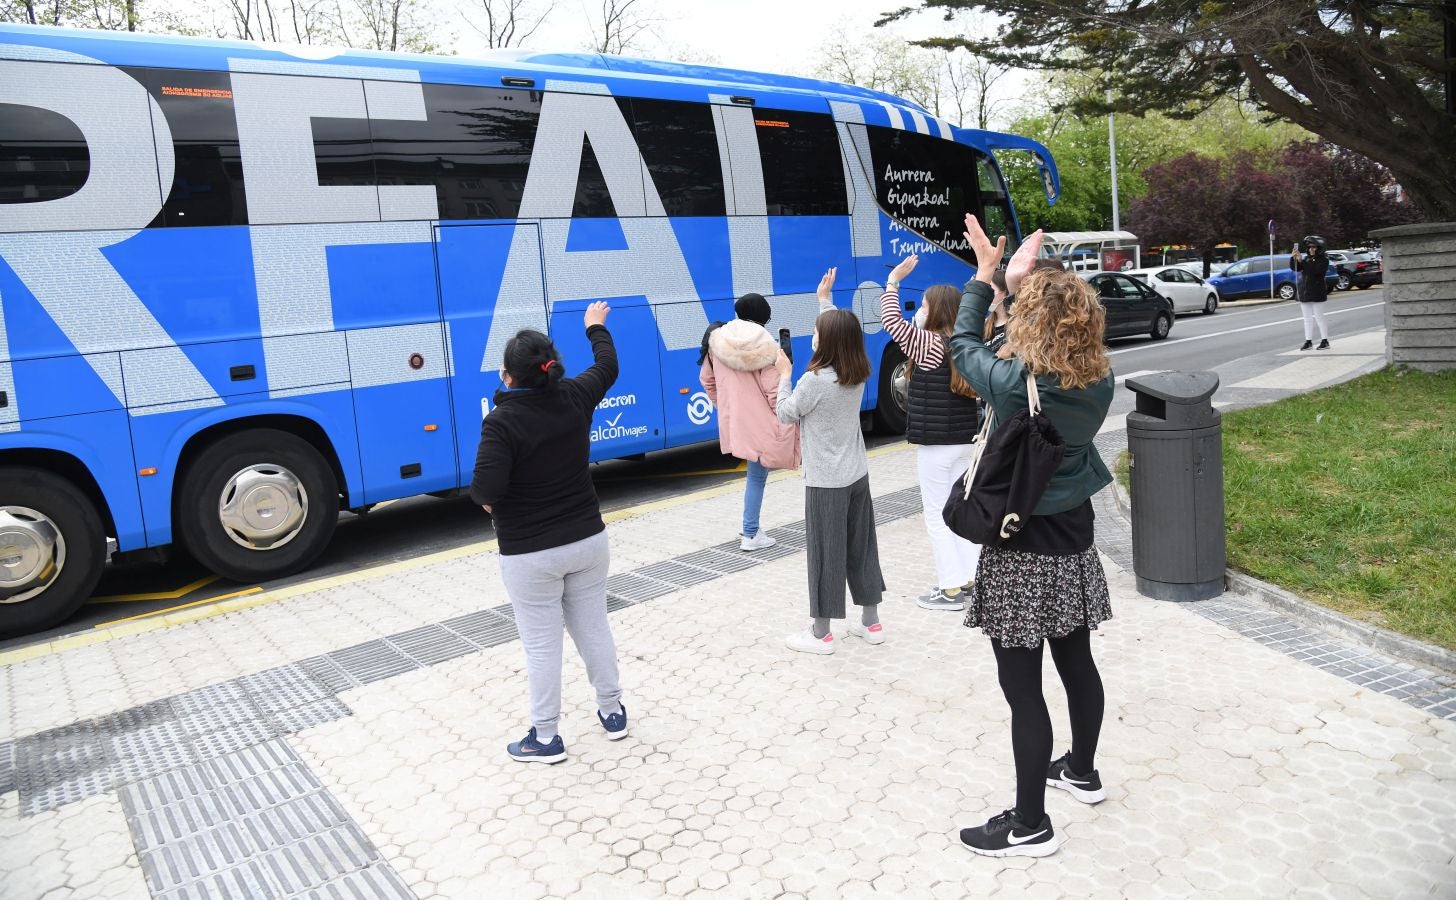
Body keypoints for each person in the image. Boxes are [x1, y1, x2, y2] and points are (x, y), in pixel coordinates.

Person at [948, 216, 1115, 858]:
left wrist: (987, 277)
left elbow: (963, 343)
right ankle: (1083, 772)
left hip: (1019, 544)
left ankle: (1029, 825)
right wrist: (1022, 287)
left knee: (1023, 693)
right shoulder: (1098, 378)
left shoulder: (1014, 384)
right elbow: (1036, 336)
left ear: (1030, 323)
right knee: (1077, 664)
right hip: (1073, 539)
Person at [470, 301, 628, 764]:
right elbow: (608, 365)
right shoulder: (575, 395)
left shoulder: (501, 423)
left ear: (508, 376)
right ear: (551, 366)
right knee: (593, 627)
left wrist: (495, 505)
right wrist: (595, 327)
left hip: (529, 555)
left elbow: (485, 490)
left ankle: (545, 738)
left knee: (542, 646)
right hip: (588, 541)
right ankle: (612, 711)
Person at [775, 268, 886, 654]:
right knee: (862, 547)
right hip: (857, 474)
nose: (813, 335)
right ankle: (871, 622)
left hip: (826, 482)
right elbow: (840, 334)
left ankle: (821, 633)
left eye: (816, 332)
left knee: (825, 554)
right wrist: (825, 301)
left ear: (826, 341)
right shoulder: (857, 372)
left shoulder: (813, 381)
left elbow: (786, 413)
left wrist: (785, 376)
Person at [879, 254, 982, 612]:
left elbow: (891, 321)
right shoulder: (965, 343)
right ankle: (970, 579)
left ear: (936, 310)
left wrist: (893, 281)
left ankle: (950, 589)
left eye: (923, 305)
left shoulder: (928, 344)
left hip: (936, 446)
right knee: (960, 510)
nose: (919, 311)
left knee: (937, 514)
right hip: (965, 442)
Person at [700, 293, 801, 551]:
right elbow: (774, 393)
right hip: (759, 423)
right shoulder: (766, 347)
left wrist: (726, 407)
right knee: (757, 476)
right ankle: (750, 533)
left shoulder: (717, 340)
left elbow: (707, 381)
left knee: (755, 474)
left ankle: (751, 526)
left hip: (735, 422)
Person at [1292, 236, 1331, 350]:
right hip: (1305, 291)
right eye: (1309, 247)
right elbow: (1296, 268)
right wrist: (1294, 258)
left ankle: (1325, 341)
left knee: (1319, 317)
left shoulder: (1324, 260)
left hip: (1317, 292)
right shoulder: (1306, 259)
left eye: (1313, 247)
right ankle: (1308, 341)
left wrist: (1302, 262)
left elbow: (1314, 271)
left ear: (1319, 248)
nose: (1311, 249)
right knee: (1307, 318)